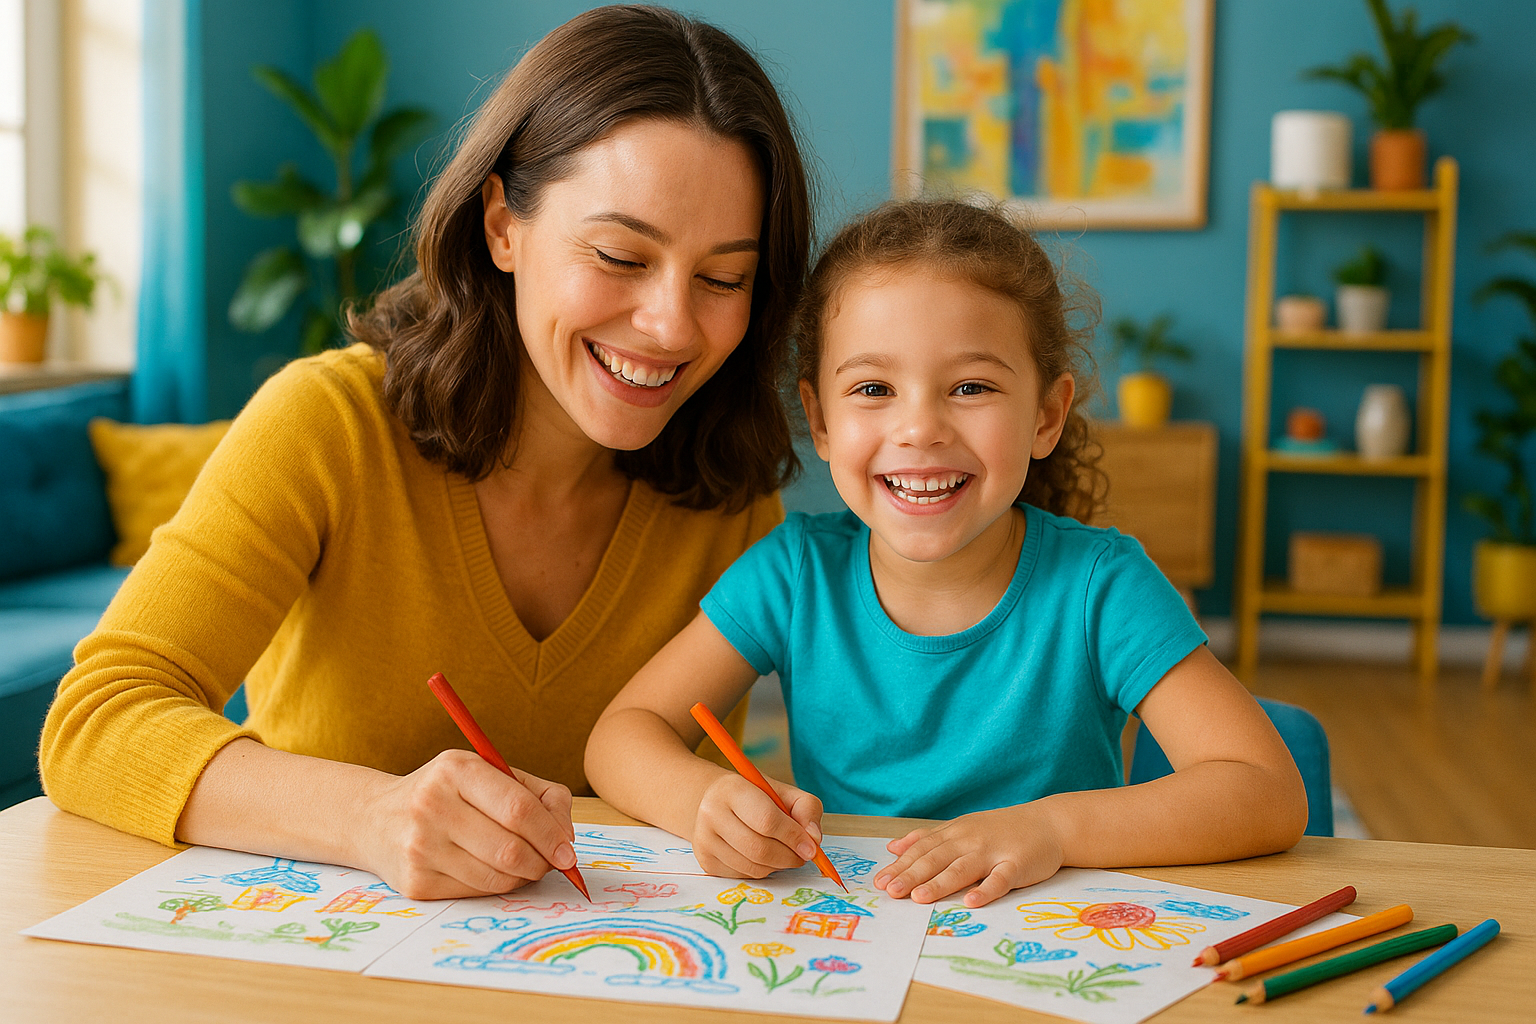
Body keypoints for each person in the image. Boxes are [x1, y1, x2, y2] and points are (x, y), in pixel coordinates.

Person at [39, 5, 811, 901]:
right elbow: (95, 721)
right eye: (618, 255)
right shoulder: (328, 426)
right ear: (502, 226)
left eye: (723, 278)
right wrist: (368, 816)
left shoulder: (731, 498)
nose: (673, 326)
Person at [586, 200, 1308, 908]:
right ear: (821, 419)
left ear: (1046, 415)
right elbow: (622, 735)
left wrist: (1051, 829)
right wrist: (701, 799)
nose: (920, 428)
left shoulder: (1103, 587)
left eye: (970, 387)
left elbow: (1267, 790)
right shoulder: (794, 573)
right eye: (874, 388)